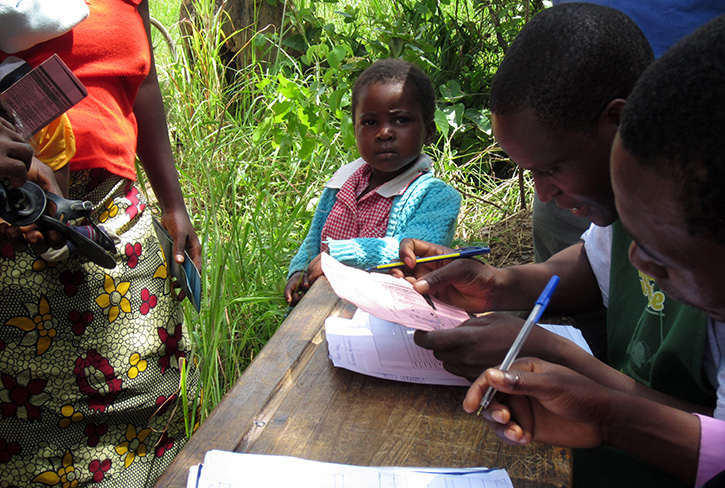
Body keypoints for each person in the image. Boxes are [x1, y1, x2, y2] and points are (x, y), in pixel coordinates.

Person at [396, 4, 714, 486]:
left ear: (616, 122)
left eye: (550, 170)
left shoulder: (694, 215)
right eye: (531, 175)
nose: (542, 194)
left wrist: (563, 358)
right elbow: (594, 262)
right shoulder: (630, 200)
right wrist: (498, 286)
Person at [0, 1, 201, 486]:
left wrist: (172, 202)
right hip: (14, 231)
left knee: (154, 426)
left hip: (117, 233)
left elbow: (141, 77)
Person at [285, 58, 461, 306]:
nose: (384, 132)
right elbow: (314, 241)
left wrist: (336, 257)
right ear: (354, 129)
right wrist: (298, 272)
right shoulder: (342, 182)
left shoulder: (436, 197)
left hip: (385, 316)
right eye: (369, 123)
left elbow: (413, 253)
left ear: (429, 131)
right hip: (320, 306)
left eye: (400, 120)